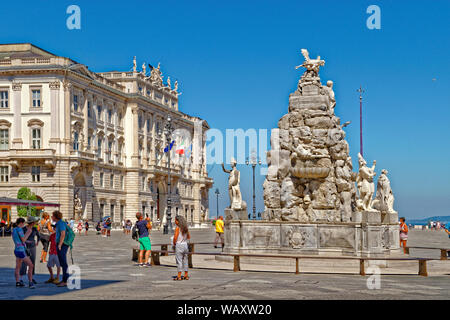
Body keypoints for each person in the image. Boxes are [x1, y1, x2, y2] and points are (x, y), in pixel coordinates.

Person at [12, 218, 34, 288]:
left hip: (16, 249)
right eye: (24, 223)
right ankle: (30, 282)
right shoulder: (19, 229)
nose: (24, 225)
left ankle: (17, 282)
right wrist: (28, 232)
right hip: (21, 250)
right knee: (31, 265)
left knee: (18, 267)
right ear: (21, 223)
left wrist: (26, 242)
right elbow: (23, 239)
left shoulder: (14, 229)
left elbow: (18, 240)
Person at [20, 216, 40, 284]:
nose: (35, 223)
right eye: (34, 222)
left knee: (32, 261)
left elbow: (38, 235)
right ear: (32, 222)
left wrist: (37, 241)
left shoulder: (34, 229)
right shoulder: (23, 229)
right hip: (25, 246)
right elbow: (21, 237)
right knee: (24, 262)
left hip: (32, 246)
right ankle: (21, 278)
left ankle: (31, 278)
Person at [52, 210, 69, 287]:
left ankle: (65, 281)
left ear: (55, 217)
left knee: (63, 263)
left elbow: (63, 234)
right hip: (60, 244)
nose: (51, 217)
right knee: (62, 262)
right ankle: (63, 280)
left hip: (62, 245)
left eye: (52, 216)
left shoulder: (61, 223)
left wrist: (60, 244)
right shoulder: (59, 223)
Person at [173, 215, 190, 281]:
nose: (175, 221)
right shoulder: (185, 228)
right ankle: (186, 275)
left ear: (178, 221)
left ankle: (179, 276)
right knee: (185, 260)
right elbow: (188, 237)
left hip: (179, 245)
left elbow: (175, 237)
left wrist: (174, 243)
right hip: (185, 244)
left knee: (179, 261)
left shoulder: (178, 228)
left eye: (175, 220)